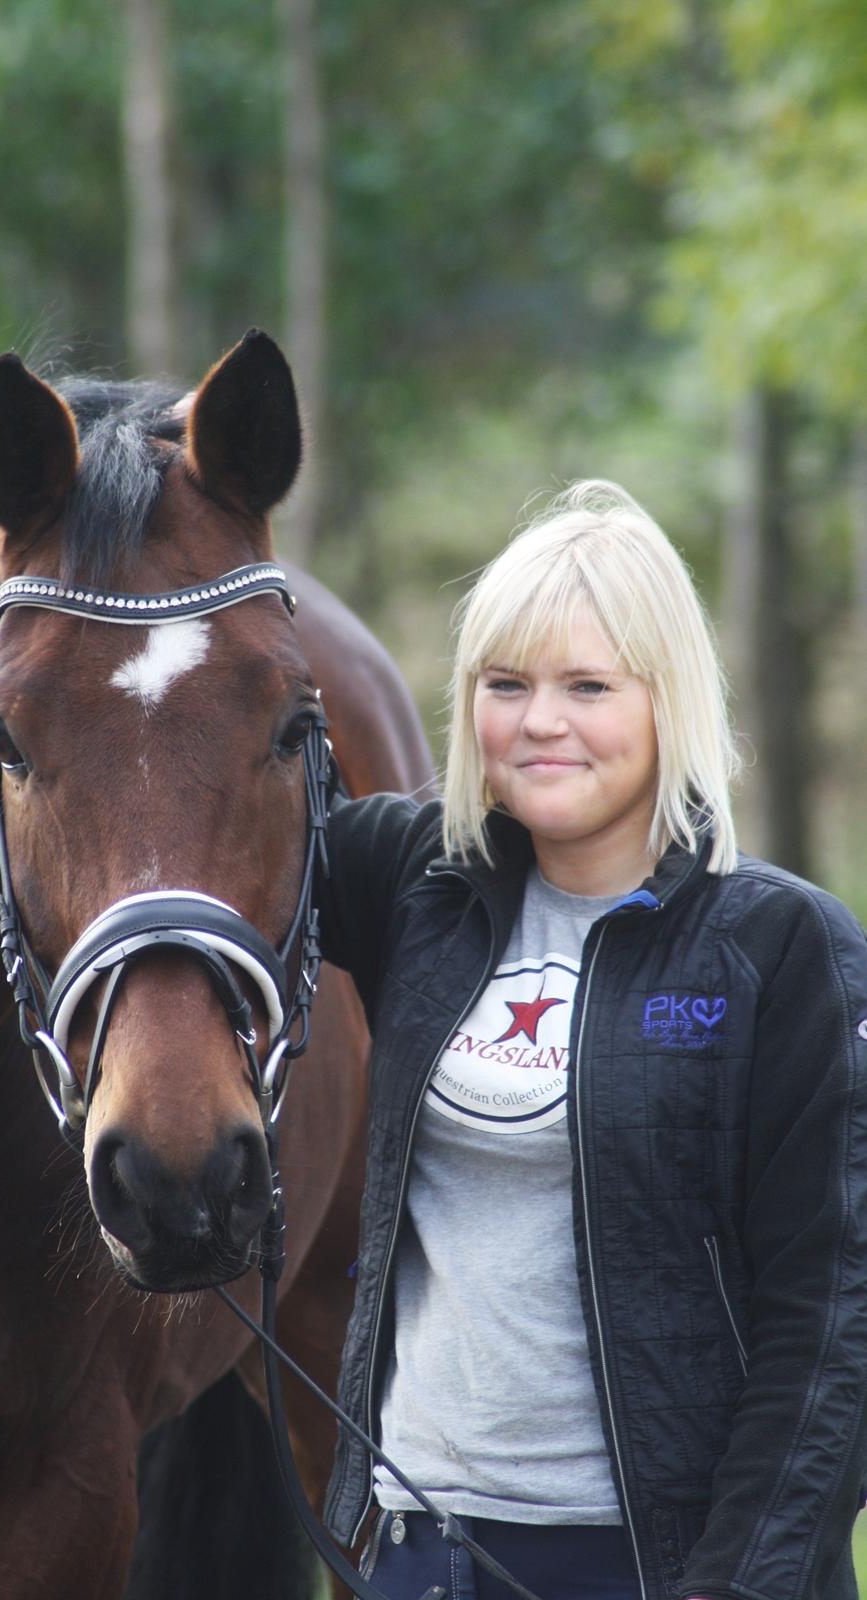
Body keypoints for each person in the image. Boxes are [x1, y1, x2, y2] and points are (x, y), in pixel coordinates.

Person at [315, 480, 867, 1600]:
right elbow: (194, 829)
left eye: (587, 686)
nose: (539, 721)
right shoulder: (408, 885)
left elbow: (833, 1317)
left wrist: (739, 1582)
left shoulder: (779, 946)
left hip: (658, 1564)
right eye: (504, 685)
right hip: (419, 1549)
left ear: (668, 701)